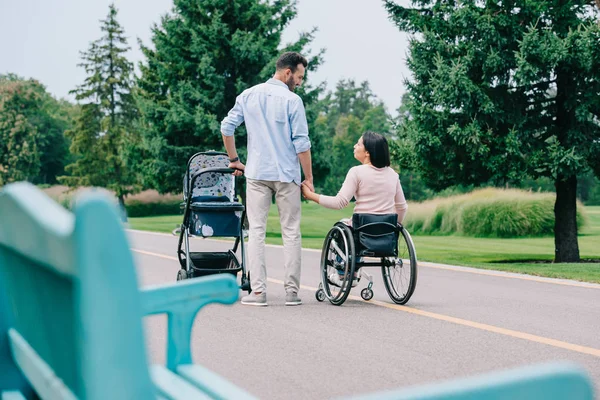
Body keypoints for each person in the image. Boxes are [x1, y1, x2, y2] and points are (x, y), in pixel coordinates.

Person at [220, 52, 313, 307]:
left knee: (257, 232)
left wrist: (234, 159)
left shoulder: (248, 95)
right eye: (299, 76)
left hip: (257, 173)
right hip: (287, 175)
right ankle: (292, 293)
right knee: (291, 232)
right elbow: (302, 145)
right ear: (287, 73)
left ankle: (259, 293)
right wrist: (309, 179)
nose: (300, 82)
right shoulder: (293, 101)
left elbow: (226, 128)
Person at [301, 131, 408, 286]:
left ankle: (343, 275)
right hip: (386, 230)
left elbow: (339, 202)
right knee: (351, 228)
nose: (354, 146)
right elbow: (402, 207)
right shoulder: (393, 175)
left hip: (361, 228)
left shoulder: (357, 172)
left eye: (358, 144)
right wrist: (393, 227)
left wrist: (311, 196)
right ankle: (353, 270)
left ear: (367, 153)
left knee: (342, 227)